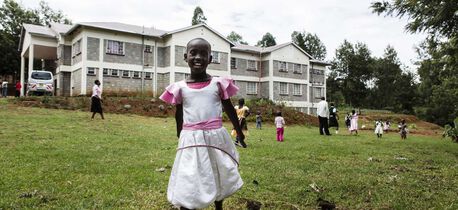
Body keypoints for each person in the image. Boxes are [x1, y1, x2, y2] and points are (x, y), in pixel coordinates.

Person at [159, 38, 246, 210]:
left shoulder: (218, 84)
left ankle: (218, 203)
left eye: (203, 54)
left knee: (218, 167)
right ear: (186, 57)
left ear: (210, 59)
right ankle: (187, 203)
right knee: (190, 170)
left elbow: (229, 109)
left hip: (216, 136)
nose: (198, 57)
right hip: (191, 137)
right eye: (193, 53)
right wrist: (180, 135)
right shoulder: (180, 87)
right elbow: (179, 114)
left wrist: (239, 130)